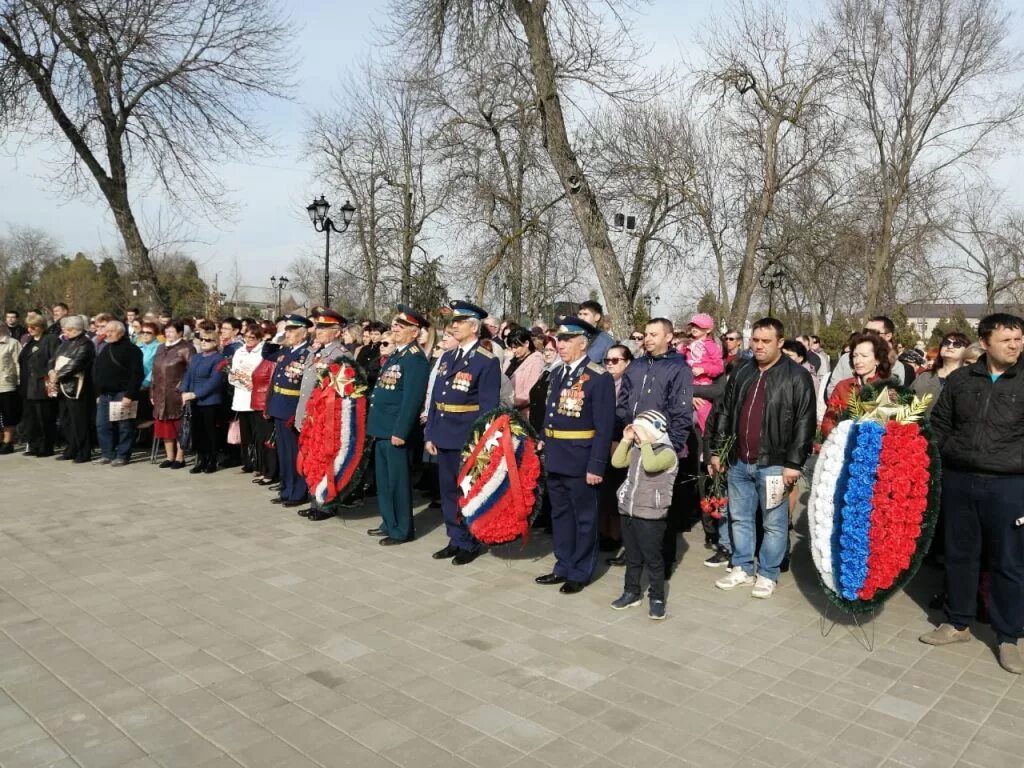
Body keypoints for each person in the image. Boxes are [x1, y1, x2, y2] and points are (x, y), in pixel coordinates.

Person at [922, 313, 1024, 675]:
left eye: (1019, 339)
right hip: (961, 480)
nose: (1015, 345)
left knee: (1008, 562)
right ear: (985, 342)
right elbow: (939, 424)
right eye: (1007, 339)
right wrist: (952, 453)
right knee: (960, 556)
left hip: (1010, 484)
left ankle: (1009, 636)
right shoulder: (963, 379)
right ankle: (958, 622)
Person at [711, 317, 816, 599]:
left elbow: (805, 422)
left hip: (775, 464)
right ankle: (742, 567)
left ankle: (768, 573)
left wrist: (794, 464)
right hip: (739, 461)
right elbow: (725, 411)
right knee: (740, 518)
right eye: (755, 340)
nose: (758, 346)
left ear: (780, 342)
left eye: (765, 341)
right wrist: (718, 451)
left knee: (774, 522)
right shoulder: (744, 371)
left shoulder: (796, 376)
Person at [533, 317, 615, 594]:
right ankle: (563, 565)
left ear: (583, 343)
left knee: (584, 518)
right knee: (561, 515)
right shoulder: (558, 374)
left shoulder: (598, 377)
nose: (561, 345)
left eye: (567, 340)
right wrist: (544, 439)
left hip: (581, 459)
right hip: (556, 456)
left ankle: (580, 570)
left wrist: (597, 465)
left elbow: (604, 428)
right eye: (559, 340)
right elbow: (551, 415)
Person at [424, 300, 501, 565]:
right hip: (443, 433)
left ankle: (469, 541)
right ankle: (455, 537)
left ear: (473, 326)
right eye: (452, 322)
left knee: (466, 492)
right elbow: (437, 398)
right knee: (447, 491)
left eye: (458, 322)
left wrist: (480, 443)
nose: (453, 326)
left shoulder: (486, 361)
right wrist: (430, 433)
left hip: (466, 438)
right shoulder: (448, 356)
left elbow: (488, 408)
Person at [616, 318, 694, 574]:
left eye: (654, 334)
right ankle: (634, 554)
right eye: (646, 334)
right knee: (635, 499)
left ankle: (663, 562)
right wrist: (626, 430)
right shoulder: (636, 366)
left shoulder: (678, 368)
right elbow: (624, 402)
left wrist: (672, 446)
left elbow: (681, 411)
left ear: (668, 337)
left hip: (661, 445)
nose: (647, 339)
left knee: (661, 507)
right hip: (635, 442)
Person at [367, 305, 430, 544]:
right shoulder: (397, 354)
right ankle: (389, 521)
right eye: (395, 324)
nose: (395, 328)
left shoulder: (415, 359)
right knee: (384, 481)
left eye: (401, 326)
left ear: (414, 332)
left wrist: (400, 431)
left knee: (398, 482)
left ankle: (402, 529)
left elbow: (412, 400)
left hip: (395, 430)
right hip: (382, 428)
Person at [609, 410, 678, 619]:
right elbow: (617, 462)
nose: (637, 437)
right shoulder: (639, 449)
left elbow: (651, 465)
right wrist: (625, 439)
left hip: (651, 516)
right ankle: (631, 592)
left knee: (653, 560)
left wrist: (646, 442)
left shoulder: (667, 453)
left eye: (640, 432)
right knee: (632, 557)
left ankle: (657, 598)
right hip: (629, 511)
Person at [294, 309, 350, 520]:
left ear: (337, 332)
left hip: (325, 419)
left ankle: (326, 504)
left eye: (325, 328)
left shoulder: (340, 355)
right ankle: (315, 500)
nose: (319, 331)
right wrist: (301, 414)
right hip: (310, 416)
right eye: (318, 327)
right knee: (312, 461)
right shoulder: (316, 352)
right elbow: (306, 387)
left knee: (326, 462)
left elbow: (342, 392)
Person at [264, 315, 313, 506]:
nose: (288, 334)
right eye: (287, 330)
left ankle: (298, 492)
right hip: (278, 405)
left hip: (293, 408)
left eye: (291, 331)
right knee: (283, 453)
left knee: (294, 453)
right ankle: (286, 489)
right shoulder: (285, 350)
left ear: (302, 333)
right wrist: (277, 335)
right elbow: (266, 352)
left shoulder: (307, 354)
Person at [821, 332, 893, 438]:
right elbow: (828, 421)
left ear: (877, 360)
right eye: (855, 356)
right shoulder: (843, 387)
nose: (858, 361)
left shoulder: (888, 389)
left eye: (864, 356)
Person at [599, 344, 634, 564]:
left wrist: (616, 440)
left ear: (627, 362)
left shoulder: (629, 385)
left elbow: (624, 414)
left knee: (616, 488)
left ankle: (615, 534)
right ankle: (603, 532)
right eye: (607, 360)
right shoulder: (603, 381)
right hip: (601, 441)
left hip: (620, 441)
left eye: (616, 360)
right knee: (603, 488)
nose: (610, 365)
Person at [93, 320, 144, 466]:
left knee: (125, 426)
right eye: (106, 331)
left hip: (122, 393)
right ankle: (107, 453)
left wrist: (129, 395)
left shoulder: (132, 350)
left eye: (111, 331)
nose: (108, 334)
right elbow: (97, 372)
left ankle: (123, 455)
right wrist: (98, 393)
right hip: (105, 394)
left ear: (121, 332)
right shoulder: (105, 349)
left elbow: (137, 374)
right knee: (102, 425)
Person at [180, 322, 229, 473]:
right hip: (194, 401)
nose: (204, 342)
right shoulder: (196, 357)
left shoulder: (219, 358)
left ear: (215, 342)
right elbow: (188, 375)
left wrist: (195, 394)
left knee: (210, 433)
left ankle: (212, 461)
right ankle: (201, 460)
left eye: (208, 340)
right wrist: (184, 391)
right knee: (198, 432)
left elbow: (214, 381)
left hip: (210, 401)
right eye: (202, 339)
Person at [826, 316, 914, 397]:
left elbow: (897, 398)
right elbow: (832, 390)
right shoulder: (846, 359)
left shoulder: (896, 367)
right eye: (865, 331)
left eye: (873, 332)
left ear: (888, 336)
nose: (867, 335)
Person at [51, 315, 95, 463]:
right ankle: (71, 447)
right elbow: (53, 359)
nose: (66, 333)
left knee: (79, 421)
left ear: (77, 329)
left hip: (78, 388)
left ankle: (84, 451)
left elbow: (76, 364)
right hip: (63, 386)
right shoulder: (65, 343)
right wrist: (51, 371)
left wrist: (57, 376)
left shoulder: (86, 344)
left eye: (68, 330)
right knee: (65, 420)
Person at [151, 319, 194, 469]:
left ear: (180, 332)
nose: (168, 334)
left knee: (178, 426)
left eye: (171, 331)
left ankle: (180, 457)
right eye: (166, 331)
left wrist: (183, 388)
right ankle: (169, 456)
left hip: (176, 394)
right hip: (160, 393)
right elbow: (154, 372)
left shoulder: (187, 348)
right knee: (164, 426)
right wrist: (152, 391)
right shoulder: (160, 347)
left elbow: (191, 371)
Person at [228, 323, 268, 474]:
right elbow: (233, 373)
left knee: (258, 434)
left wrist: (253, 383)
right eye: (246, 336)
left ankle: (259, 462)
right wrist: (241, 381)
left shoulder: (263, 351)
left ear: (259, 338)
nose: (249, 340)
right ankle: (247, 461)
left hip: (256, 396)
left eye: (253, 337)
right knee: (245, 433)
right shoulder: (239, 351)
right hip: (242, 395)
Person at [18, 313, 59, 456]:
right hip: (28, 385)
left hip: (42, 384)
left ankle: (46, 446)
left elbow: (54, 359)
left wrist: (49, 376)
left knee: (44, 417)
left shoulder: (50, 339)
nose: (30, 329)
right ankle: (34, 444)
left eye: (33, 327)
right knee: (31, 418)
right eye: (28, 327)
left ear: (41, 326)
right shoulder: (29, 341)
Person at [681, 313, 724, 434]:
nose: (694, 328)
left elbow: (719, 367)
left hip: (704, 385)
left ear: (708, 330)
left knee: (703, 415)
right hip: (688, 384)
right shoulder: (688, 344)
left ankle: (707, 442)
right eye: (693, 325)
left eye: (699, 326)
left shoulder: (712, 346)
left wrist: (703, 369)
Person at [912, 332, 969, 416]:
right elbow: (905, 403)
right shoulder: (924, 377)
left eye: (957, 344)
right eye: (946, 343)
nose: (950, 346)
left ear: (967, 350)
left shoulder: (969, 379)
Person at [504, 326, 545, 422]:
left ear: (526, 343)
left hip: (523, 416)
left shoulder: (536, 362)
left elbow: (530, 393)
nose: (513, 351)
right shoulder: (509, 361)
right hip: (506, 411)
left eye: (516, 347)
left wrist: (510, 402)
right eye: (511, 347)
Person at [0, 323, 21, 453]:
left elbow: (18, 363)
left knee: (8, 414)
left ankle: (8, 442)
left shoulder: (12, 343)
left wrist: (19, 381)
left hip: (7, 384)